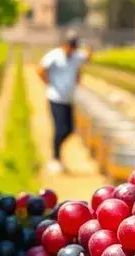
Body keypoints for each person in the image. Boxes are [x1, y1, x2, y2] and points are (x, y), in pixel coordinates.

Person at [38, 36, 89, 174]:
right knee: (60, 129)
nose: (71, 50)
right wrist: (49, 83)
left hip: (68, 99)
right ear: (64, 45)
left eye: (74, 48)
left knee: (70, 129)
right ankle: (55, 158)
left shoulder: (76, 56)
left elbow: (88, 57)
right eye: (69, 47)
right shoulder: (54, 56)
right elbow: (40, 69)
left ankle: (57, 154)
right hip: (55, 98)